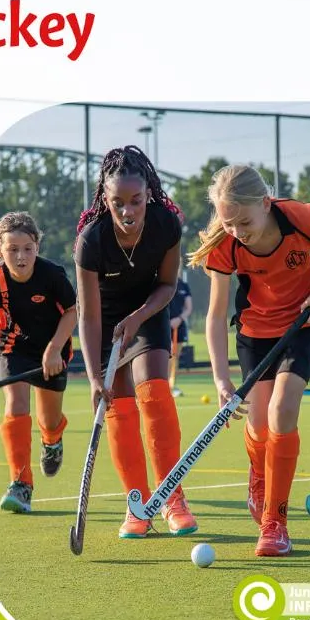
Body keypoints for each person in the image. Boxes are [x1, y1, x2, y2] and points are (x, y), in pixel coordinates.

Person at [189, 164, 310, 557]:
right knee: (258, 426)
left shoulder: (301, 218)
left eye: (244, 222)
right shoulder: (225, 244)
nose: (237, 231)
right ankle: (258, 472)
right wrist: (221, 380)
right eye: (228, 223)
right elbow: (215, 317)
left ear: (266, 204)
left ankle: (275, 524)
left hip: (305, 323)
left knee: (282, 410)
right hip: (255, 333)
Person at [75, 145, 198, 539]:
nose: (127, 211)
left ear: (148, 195)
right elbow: (88, 315)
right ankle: (137, 504)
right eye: (118, 203)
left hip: (149, 309)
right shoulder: (91, 241)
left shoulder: (166, 225)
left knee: (155, 389)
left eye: (136, 201)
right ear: (105, 199)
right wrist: (94, 378)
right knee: (118, 404)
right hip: (105, 317)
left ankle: (172, 497)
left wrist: (138, 317)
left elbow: (167, 285)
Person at [0, 211, 77, 513]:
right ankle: (21, 484)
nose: (21, 256)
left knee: (50, 421)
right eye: (12, 249)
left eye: (27, 248)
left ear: (37, 246)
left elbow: (72, 312)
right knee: (15, 406)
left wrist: (54, 349)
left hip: (53, 348)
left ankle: (52, 440)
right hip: (13, 347)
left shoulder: (52, 275)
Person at [168, 261, 193, 397]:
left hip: (179, 326)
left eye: (178, 266)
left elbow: (188, 308)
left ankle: (172, 386)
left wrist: (179, 319)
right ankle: (164, 386)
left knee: (175, 357)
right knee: (166, 356)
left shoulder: (184, 286)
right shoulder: (164, 283)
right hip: (164, 326)